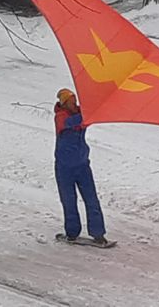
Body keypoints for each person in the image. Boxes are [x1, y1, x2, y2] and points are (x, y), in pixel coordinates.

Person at [53, 88, 109, 245]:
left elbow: (85, 119)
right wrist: (89, 113)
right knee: (69, 200)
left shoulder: (81, 114)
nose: (74, 103)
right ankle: (72, 233)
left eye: (75, 100)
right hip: (64, 167)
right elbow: (72, 122)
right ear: (64, 104)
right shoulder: (61, 117)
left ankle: (98, 234)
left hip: (82, 165)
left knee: (91, 199)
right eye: (71, 101)